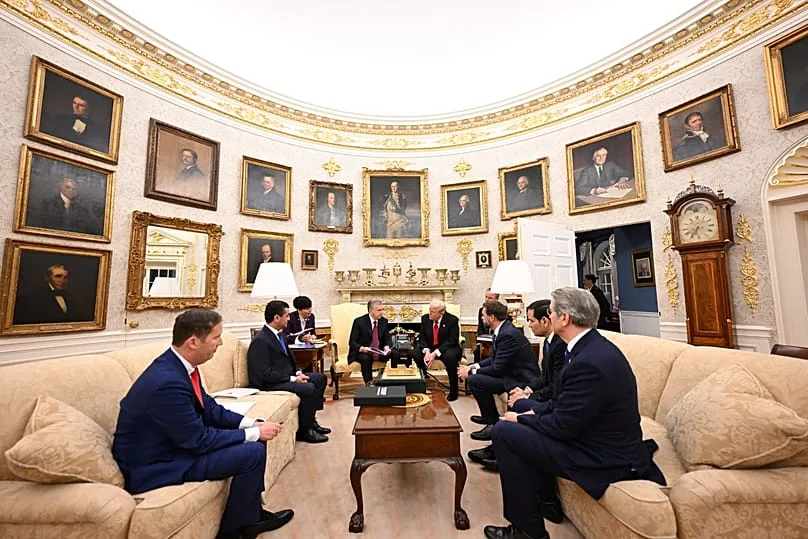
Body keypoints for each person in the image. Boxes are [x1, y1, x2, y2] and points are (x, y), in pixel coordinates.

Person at [483, 287, 665, 539]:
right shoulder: (587, 348)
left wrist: (524, 418)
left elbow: (562, 425)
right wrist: (527, 412)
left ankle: (527, 531)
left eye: (551, 311)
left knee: (505, 432)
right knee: (516, 421)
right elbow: (561, 402)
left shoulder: (589, 361)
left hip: (602, 454)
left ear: (565, 318)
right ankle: (545, 501)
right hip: (590, 434)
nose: (549, 316)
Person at [112, 309, 294, 539]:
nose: (220, 343)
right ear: (193, 342)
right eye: (216, 337)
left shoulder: (180, 367)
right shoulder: (167, 383)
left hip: (174, 446)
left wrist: (251, 423)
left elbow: (210, 409)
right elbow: (198, 440)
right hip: (158, 465)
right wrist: (254, 433)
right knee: (252, 451)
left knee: (256, 439)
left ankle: (251, 513)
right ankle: (236, 530)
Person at [469, 299, 567, 472]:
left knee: (517, 402)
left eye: (531, 320)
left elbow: (556, 385)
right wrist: (526, 390)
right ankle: (496, 447)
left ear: (545, 320)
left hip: (532, 384)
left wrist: (528, 394)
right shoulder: (549, 342)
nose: (528, 325)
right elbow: (545, 377)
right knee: (515, 398)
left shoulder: (559, 345)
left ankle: (498, 449)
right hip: (528, 383)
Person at [248, 301, 329, 444]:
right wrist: (292, 379)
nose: (289, 318)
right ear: (277, 318)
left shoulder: (279, 335)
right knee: (308, 387)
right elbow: (264, 374)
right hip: (269, 384)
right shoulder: (261, 340)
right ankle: (304, 430)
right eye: (286, 316)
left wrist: (298, 373)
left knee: (320, 378)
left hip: (284, 377)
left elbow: (291, 360)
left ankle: (311, 421)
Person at [458, 301, 539, 442]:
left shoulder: (508, 334)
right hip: (509, 373)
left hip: (519, 378)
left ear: (492, 317)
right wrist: (474, 366)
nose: (482, 318)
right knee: (475, 377)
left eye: (483, 315)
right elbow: (495, 359)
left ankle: (492, 422)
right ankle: (489, 418)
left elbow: (497, 368)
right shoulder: (503, 330)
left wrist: (471, 372)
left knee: (475, 380)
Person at [411, 299, 462, 401]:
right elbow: (422, 338)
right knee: (415, 353)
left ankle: (454, 391)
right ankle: (422, 378)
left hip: (447, 347)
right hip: (430, 347)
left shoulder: (452, 320)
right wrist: (427, 351)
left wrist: (435, 353)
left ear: (441, 312)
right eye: (429, 310)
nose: (429, 313)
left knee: (450, 357)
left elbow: (452, 341)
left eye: (433, 312)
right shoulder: (425, 318)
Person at [13, 263, 89, 325]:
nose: (62, 280)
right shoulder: (33, 297)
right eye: (58, 276)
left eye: (65, 277)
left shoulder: (69, 296)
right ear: (47, 278)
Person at [30, 176, 101, 235]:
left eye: (74, 189)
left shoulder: (82, 209)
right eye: (68, 187)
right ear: (61, 187)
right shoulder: (48, 204)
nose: (71, 190)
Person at [347, 298, 394, 385]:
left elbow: (387, 339)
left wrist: (387, 346)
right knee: (366, 359)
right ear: (371, 311)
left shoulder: (384, 321)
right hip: (363, 351)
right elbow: (352, 342)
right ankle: (369, 384)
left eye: (382, 309)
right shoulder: (359, 322)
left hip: (379, 350)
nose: (382, 312)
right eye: (379, 310)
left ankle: (392, 382)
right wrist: (362, 348)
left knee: (395, 353)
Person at [474, 289, 500, 364]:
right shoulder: (482, 310)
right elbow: (480, 329)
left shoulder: (501, 311)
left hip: (496, 341)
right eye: (486, 297)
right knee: (477, 351)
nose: (487, 300)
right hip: (484, 341)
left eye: (490, 298)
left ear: (497, 299)